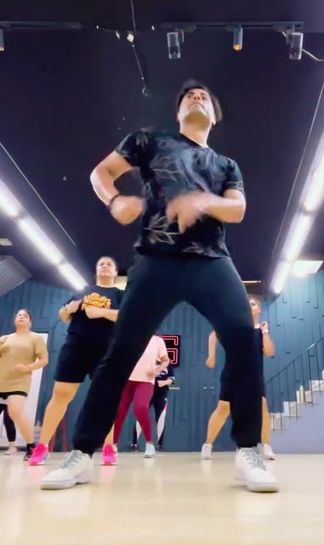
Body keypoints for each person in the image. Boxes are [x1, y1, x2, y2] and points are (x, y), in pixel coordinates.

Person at [41, 79, 278, 492]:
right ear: (178, 112)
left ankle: (248, 451)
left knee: (244, 338)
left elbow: (237, 209)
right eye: (189, 96)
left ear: (215, 115)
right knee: (120, 353)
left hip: (211, 260)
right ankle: (82, 453)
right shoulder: (148, 141)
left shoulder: (226, 165)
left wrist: (202, 201)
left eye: (205, 96)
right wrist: (115, 200)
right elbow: (102, 173)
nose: (197, 96)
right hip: (155, 259)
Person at [29, 257, 123, 467]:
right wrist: (68, 310)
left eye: (109, 264)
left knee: (104, 398)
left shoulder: (120, 294)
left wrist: (101, 312)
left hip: (106, 350)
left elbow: (125, 316)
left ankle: (108, 448)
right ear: (96, 270)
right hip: (75, 346)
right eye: (101, 264)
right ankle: (42, 447)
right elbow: (63, 315)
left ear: (115, 272)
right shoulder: (83, 291)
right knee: (61, 394)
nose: (105, 266)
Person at [201, 296, 276, 460]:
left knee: (262, 407)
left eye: (253, 304)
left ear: (259, 309)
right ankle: (207, 445)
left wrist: (265, 332)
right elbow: (214, 334)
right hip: (232, 374)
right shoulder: (235, 327)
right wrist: (211, 356)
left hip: (254, 376)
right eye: (247, 304)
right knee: (223, 408)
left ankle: (265, 446)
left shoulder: (261, 331)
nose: (250, 306)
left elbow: (269, 352)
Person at [0, 309, 48, 460]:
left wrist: (29, 367)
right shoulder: (5, 338)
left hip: (19, 381)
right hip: (1, 379)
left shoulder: (35, 338)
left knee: (14, 411)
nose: (21, 317)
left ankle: (31, 446)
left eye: (25, 316)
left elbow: (44, 360)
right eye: (19, 315)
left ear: (30, 322)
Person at [113, 335, 169, 458]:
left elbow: (166, 360)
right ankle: (113, 445)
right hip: (126, 380)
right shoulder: (128, 335)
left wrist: (157, 371)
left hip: (145, 381)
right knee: (119, 411)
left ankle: (149, 444)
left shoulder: (157, 340)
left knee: (141, 409)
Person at [132, 362, 176, 451]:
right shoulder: (148, 361)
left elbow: (172, 379)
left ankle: (160, 445)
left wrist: (164, 382)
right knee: (141, 416)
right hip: (147, 392)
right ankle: (134, 444)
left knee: (161, 418)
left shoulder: (168, 364)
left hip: (161, 394)